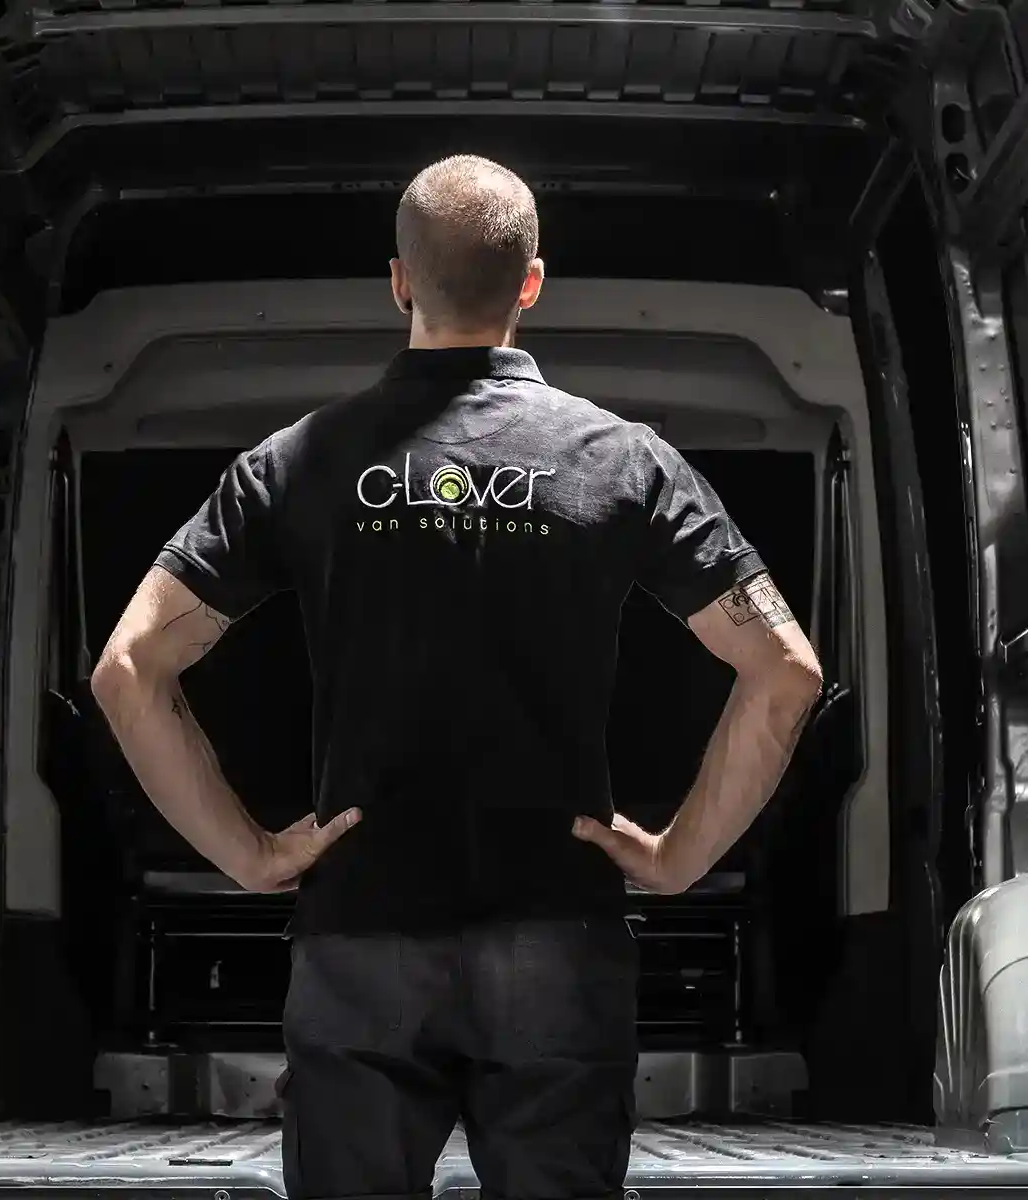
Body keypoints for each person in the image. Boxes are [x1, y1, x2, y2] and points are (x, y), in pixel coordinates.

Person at [90, 154, 823, 1200]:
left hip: (361, 943)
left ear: (398, 281)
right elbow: (785, 670)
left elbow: (128, 669)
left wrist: (250, 854)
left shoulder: (294, 463)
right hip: (557, 943)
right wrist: (676, 857)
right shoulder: (622, 459)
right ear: (532, 283)